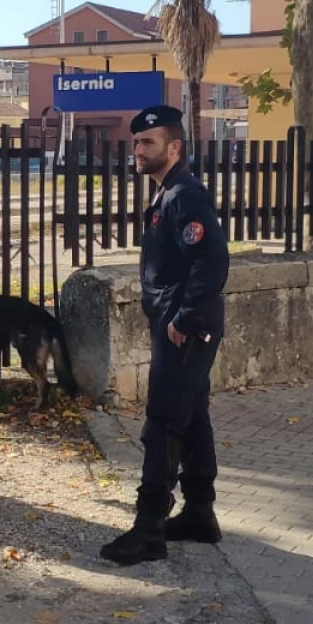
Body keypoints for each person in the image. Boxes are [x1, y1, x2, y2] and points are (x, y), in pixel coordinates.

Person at [101, 104, 230, 566]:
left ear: (174, 147)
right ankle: (199, 513)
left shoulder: (183, 196)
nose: (138, 149)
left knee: (162, 424)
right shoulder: (167, 195)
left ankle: (149, 529)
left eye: (148, 142)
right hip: (178, 326)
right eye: (136, 142)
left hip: (185, 331)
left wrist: (184, 318)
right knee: (192, 417)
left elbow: (211, 262)